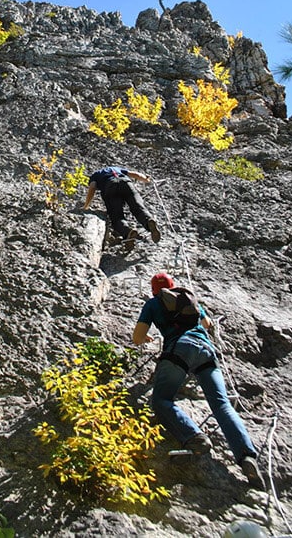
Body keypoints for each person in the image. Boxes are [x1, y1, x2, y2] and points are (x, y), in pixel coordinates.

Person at [132, 272, 266, 490]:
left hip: (179, 349)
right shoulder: (188, 298)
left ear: (154, 290)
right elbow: (207, 323)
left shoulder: (153, 303)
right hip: (206, 351)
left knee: (161, 399)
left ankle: (194, 437)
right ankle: (246, 455)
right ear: (173, 286)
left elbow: (137, 338)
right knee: (221, 404)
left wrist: (148, 337)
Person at [83, 165, 161, 245]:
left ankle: (128, 232)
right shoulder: (117, 169)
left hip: (110, 187)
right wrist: (146, 179)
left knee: (116, 216)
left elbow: (92, 186)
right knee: (138, 207)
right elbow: (135, 174)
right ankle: (148, 221)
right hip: (126, 183)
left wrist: (86, 206)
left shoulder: (95, 175)